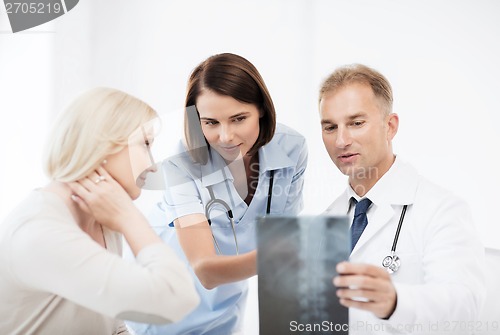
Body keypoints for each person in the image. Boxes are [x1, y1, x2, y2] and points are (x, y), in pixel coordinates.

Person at [128, 53, 308, 335]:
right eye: (211, 122)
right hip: (164, 296)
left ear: (261, 108)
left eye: (238, 119)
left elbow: (281, 238)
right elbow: (205, 270)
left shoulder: (292, 148)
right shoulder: (180, 162)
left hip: (227, 299)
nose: (225, 136)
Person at [0, 87, 199, 335]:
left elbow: (113, 327)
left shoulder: (100, 220)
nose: (152, 166)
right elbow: (176, 298)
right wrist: (130, 219)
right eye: (145, 144)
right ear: (100, 145)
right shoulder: (39, 231)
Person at [318, 64, 485, 334]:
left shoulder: (443, 209)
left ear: (390, 126)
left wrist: (395, 302)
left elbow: (465, 306)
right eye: (329, 127)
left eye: (356, 123)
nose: (341, 140)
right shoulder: (327, 218)